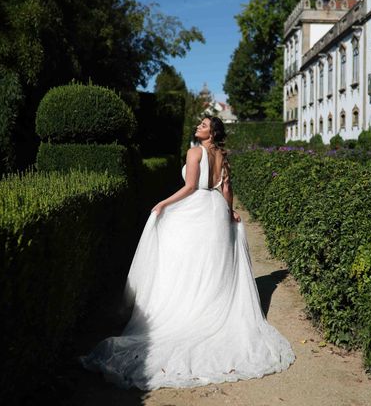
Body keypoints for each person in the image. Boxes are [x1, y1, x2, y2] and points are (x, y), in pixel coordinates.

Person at [79, 116, 295, 390]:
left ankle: (188, 308)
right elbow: (227, 189)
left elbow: (191, 187)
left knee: (187, 260)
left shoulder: (195, 151)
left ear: (212, 133)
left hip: (199, 209)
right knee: (213, 265)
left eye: (204, 125)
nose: (199, 127)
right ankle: (209, 307)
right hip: (216, 210)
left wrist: (163, 203)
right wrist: (230, 213)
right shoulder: (222, 156)